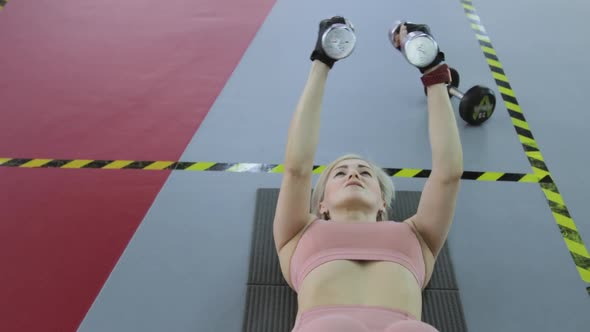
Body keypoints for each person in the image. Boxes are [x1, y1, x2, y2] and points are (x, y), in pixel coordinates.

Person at [273, 17, 463, 332]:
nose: (354, 175)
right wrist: (322, 60)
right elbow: (296, 168)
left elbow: (448, 174)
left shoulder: (417, 235)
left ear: (382, 204)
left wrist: (434, 72)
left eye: (365, 173)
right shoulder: (298, 232)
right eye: (340, 173)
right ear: (321, 204)